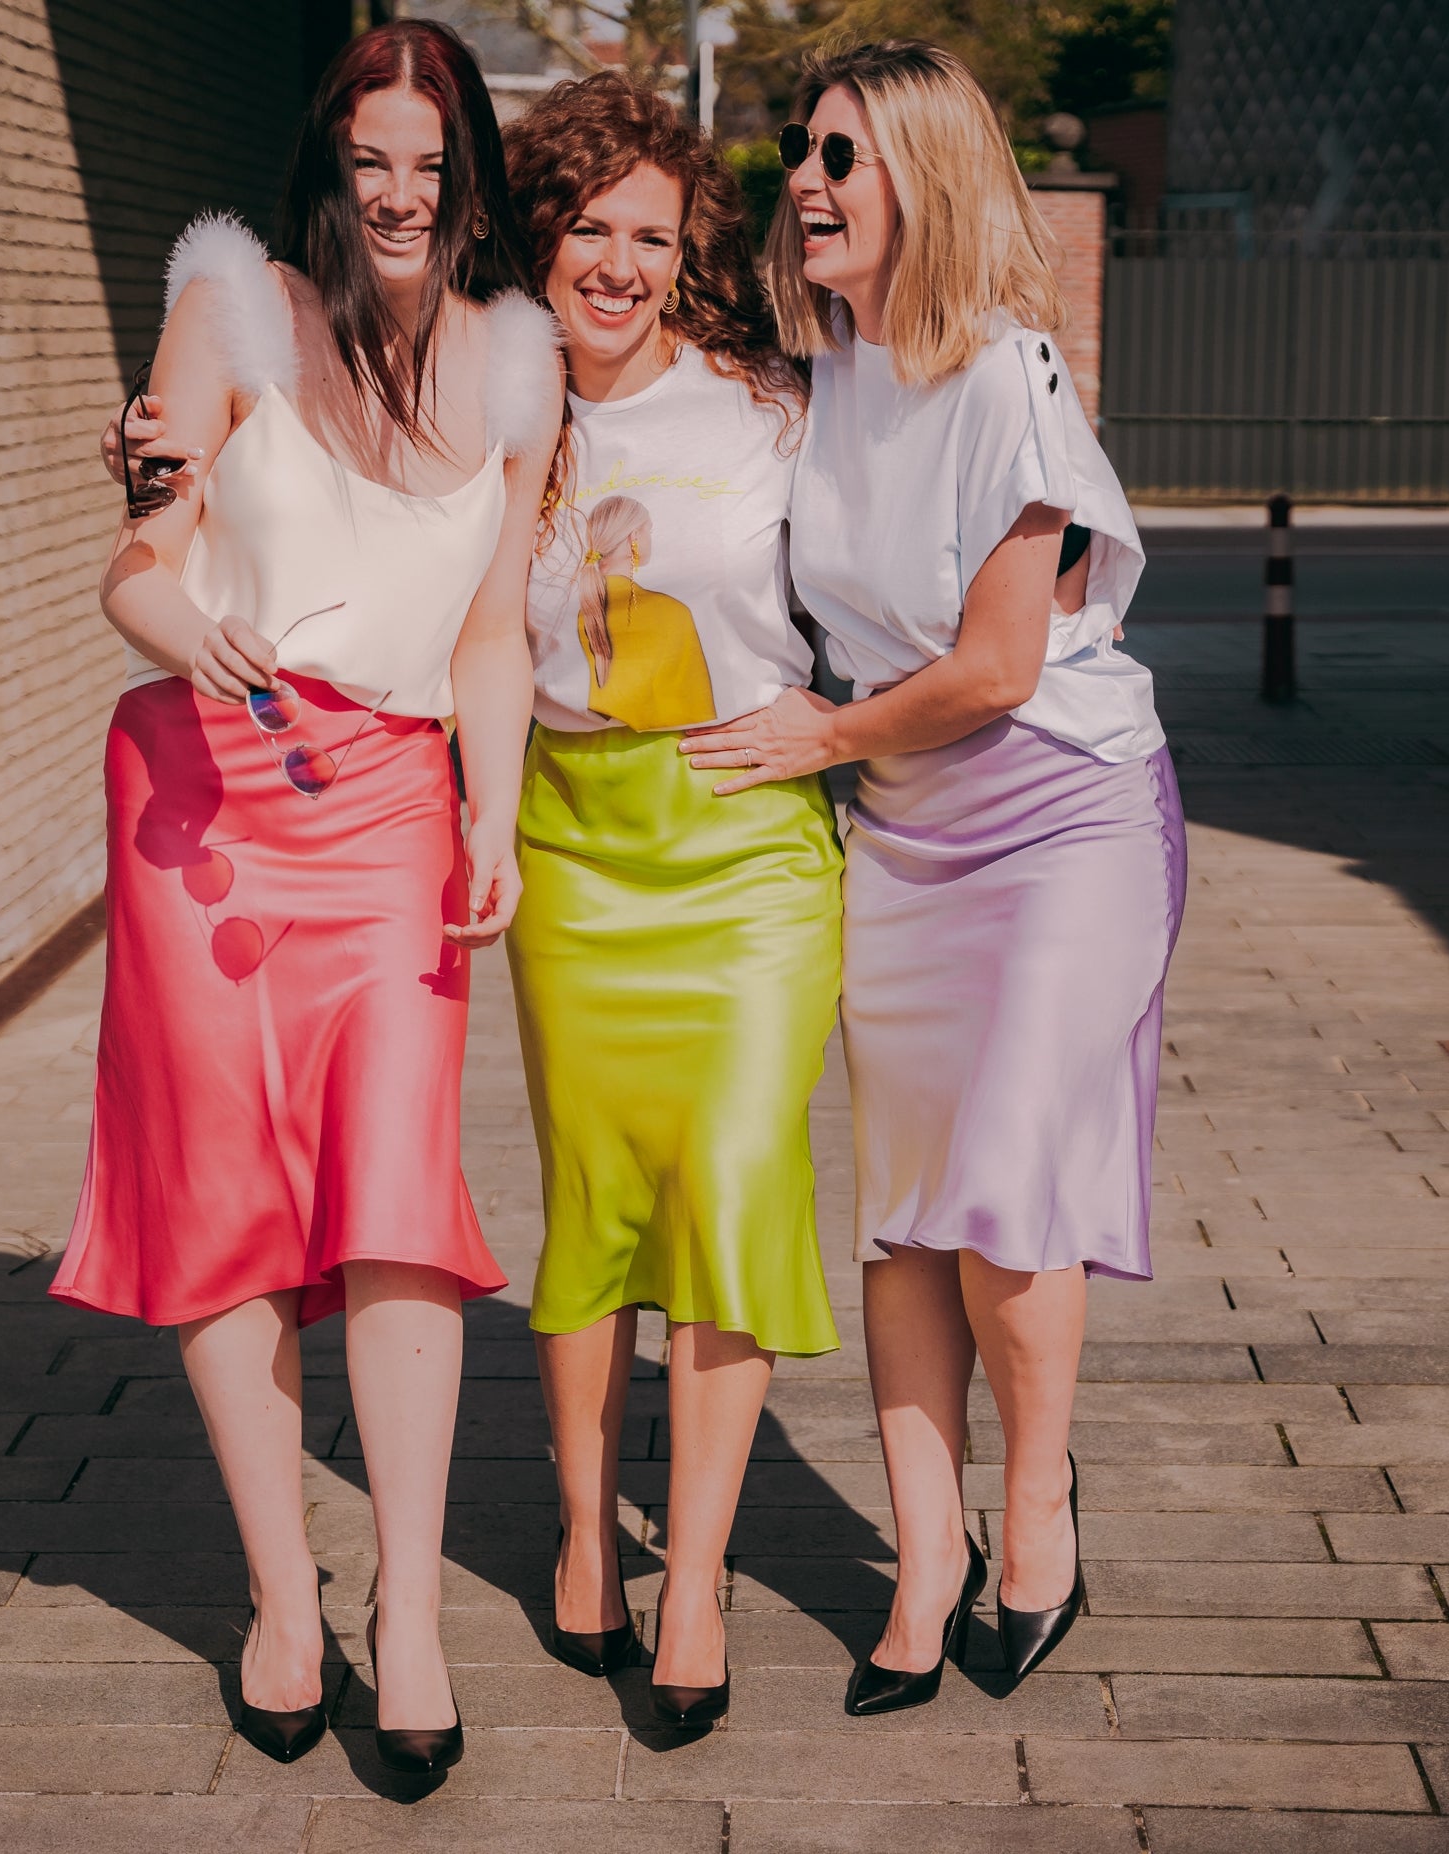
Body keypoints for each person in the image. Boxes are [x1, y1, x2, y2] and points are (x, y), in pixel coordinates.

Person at [55, 21, 558, 1772]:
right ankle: (284, 1594)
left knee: (402, 1208)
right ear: (331, 166)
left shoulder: (514, 357)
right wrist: (174, 613)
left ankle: (404, 1608)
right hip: (211, 804)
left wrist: (493, 815)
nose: (403, 193)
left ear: (469, 174)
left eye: (434, 161)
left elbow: (492, 629)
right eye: (373, 159)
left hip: (397, 821)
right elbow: (142, 547)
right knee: (224, 1207)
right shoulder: (233, 309)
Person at [686, 40, 1185, 1710]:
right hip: (900, 833)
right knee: (905, 1219)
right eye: (802, 154)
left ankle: (1035, 1515)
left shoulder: (1007, 375)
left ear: (928, 178)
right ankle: (924, 1558)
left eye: (845, 154)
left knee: (1006, 1188)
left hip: (1059, 817)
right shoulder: (812, 374)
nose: (807, 182)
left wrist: (809, 738)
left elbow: (993, 664)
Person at [502, 73, 843, 1729]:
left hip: (746, 845)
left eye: (652, 231)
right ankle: (584, 1537)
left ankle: (695, 1574)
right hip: (572, 845)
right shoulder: (490, 408)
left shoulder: (778, 409)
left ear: (688, 249)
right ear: (542, 239)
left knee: (723, 1179)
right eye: (588, 227)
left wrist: (842, 732)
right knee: (594, 1197)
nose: (619, 263)